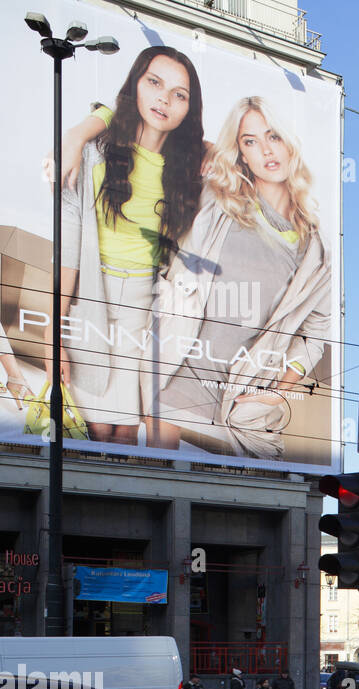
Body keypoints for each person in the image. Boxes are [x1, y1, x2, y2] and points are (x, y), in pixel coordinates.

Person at [148, 96, 332, 458]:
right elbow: (161, 261)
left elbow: (316, 333)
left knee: (239, 505)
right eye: (250, 141)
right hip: (181, 377)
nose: (266, 150)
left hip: (245, 405)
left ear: (289, 142)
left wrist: (278, 391)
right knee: (156, 490)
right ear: (241, 153)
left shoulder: (316, 248)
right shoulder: (217, 201)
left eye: (273, 136)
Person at [55, 47, 205, 445]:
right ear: (135, 85)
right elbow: (68, 253)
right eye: (154, 83)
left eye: (179, 94)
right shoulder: (92, 154)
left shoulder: (188, 174)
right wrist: (53, 338)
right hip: (91, 299)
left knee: (124, 433)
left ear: (189, 108)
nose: (164, 100)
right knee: (96, 430)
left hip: (144, 307)